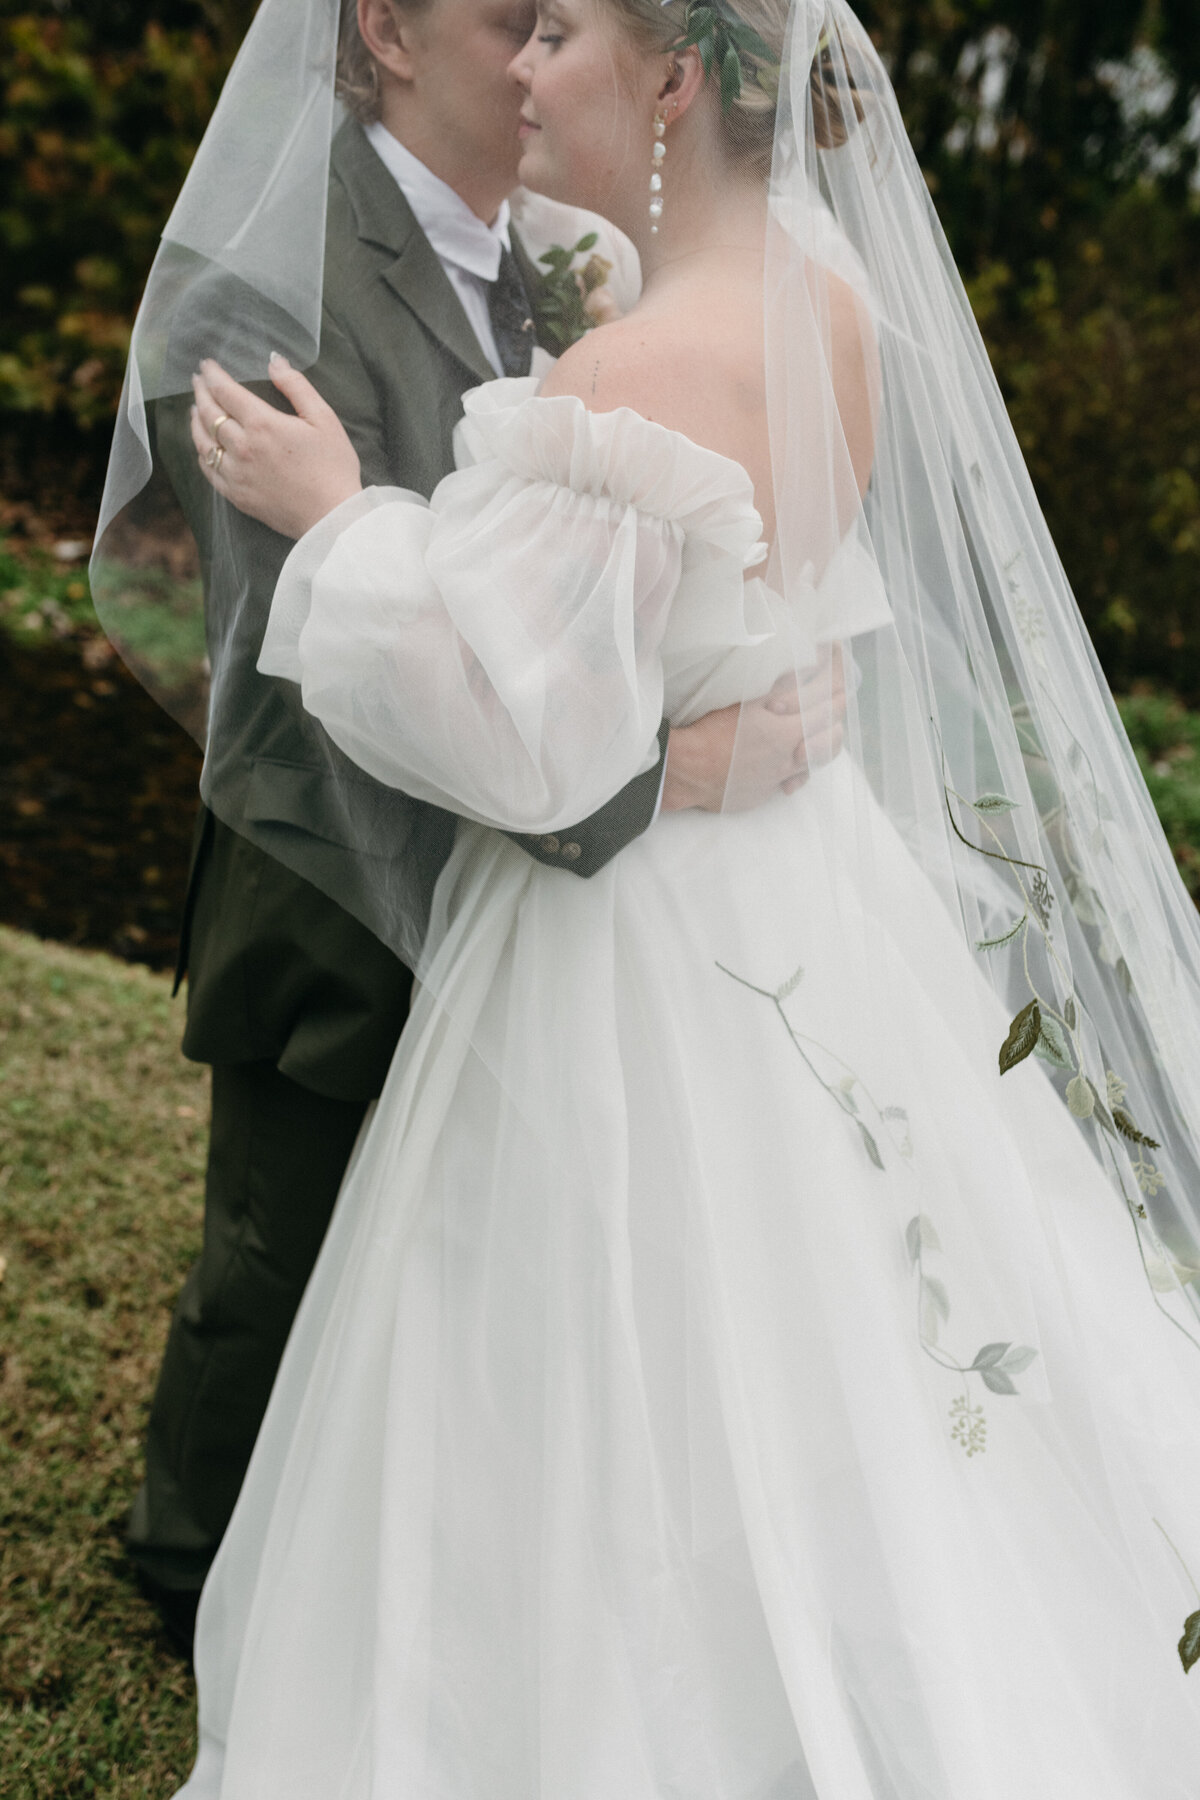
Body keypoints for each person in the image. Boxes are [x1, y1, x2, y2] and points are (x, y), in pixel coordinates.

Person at [174, 0, 1200, 1790]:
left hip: (629, 940)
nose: (525, 68)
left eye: (559, 31)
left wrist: (339, 518)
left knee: (603, 1338)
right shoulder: (833, 311)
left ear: (666, 83)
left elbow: (516, 735)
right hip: (808, 902)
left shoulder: (626, 380)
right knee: (818, 1326)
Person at [111, 0, 839, 1656]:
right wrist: (660, 768)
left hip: (543, 875)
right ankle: (193, 1559)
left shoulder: (577, 273)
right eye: (510, 15)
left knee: (452, 1283)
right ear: (381, 32)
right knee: (275, 1251)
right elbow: (285, 660)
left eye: (554, 25)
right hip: (342, 877)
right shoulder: (263, 284)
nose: (531, 56)